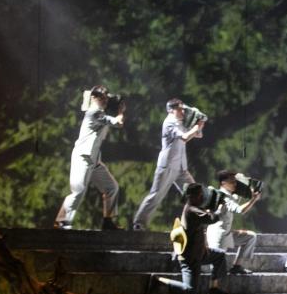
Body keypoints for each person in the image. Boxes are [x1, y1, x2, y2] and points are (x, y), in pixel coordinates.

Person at [54, 85, 124, 230]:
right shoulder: (94, 113)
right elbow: (118, 123)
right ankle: (61, 221)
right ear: (93, 98)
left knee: (111, 187)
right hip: (83, 157)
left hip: (94, 160)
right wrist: (121, 111)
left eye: (106, 98)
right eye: (102, 98)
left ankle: (108, 222)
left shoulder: (98, 111)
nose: (105, 100)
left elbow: (90, 101)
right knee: (78, 190)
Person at [132, 98, 204, 230]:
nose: (183, 112)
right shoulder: (169, 123)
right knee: (156, 195)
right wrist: (196, 127)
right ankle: (139, 223)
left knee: (195, 193)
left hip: (181, 167)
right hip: (168, 166)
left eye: (183, 109)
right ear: (171, 110)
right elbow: (185, 137)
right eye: (180, 109)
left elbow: (197, 135)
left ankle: (190, 224)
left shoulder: (180, 122)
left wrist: (200, 124)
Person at [157, 183, 227, 294]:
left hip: (200, 253)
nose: (202, 197)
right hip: (190, 258)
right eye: (200, 195)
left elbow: (205, 214)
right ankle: (160, 281)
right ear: (192, 196)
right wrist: (219, 209)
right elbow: (211, 219)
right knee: (190, 290)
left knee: (220, 255)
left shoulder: (194, 209)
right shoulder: (191, 210)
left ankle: (213, 287)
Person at [206, 170, 260, 275]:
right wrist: (254, 199)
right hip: (218, 236)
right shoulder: (222, 196)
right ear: (223, 183)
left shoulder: (231, 195)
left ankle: (237, 266)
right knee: (216, 270)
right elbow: (240, 210)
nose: (235, 184)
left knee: (251, 237)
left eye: (235, 181)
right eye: (232, 182)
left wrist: (246, 183)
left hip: (227, 234)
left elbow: (239, 193)